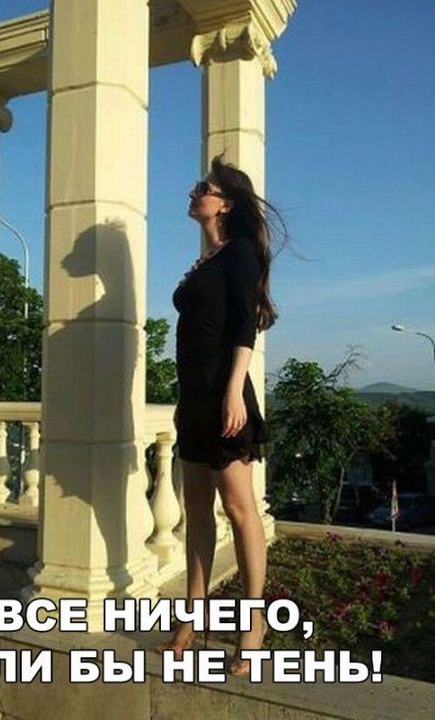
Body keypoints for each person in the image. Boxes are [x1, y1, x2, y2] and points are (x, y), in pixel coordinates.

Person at [155, 154, 283, 677]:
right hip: (193, 397)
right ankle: (191, 618)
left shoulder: (240, 254)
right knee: (196, 510)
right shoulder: (206, 259)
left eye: (202, 187)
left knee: (239, 507)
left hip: (225, 393)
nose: (193, 193)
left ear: (225, 203)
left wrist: (234, 392)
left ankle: (254, 624)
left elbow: (244, 325)